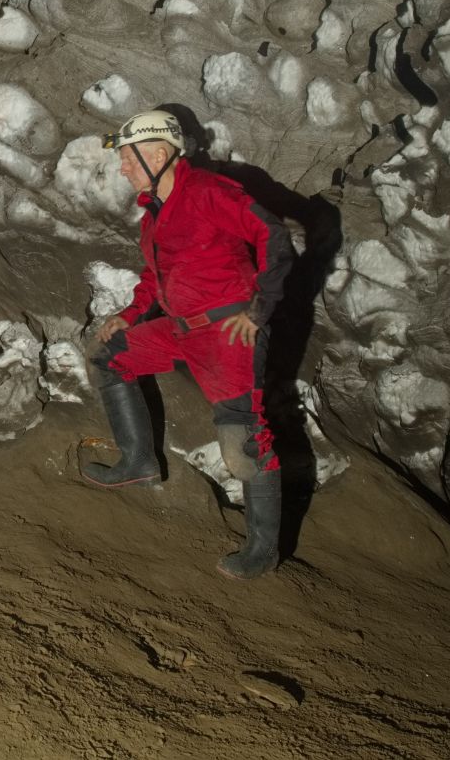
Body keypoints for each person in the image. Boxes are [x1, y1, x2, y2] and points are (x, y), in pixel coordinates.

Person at [86, 109, 294, 579]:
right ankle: (138, 461)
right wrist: (128, 315)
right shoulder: (153, 217)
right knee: (109, 354)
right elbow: (154, 279)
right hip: (181, 327)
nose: (122, 168)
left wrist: (259, 308)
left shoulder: (208, 191)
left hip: (227, 332)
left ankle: (263, 551)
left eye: (128, 158)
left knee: (243, 439)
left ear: (159, 154)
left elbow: (272, 235)